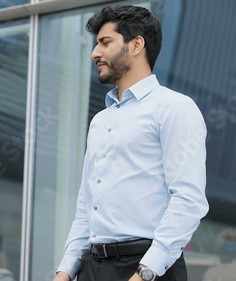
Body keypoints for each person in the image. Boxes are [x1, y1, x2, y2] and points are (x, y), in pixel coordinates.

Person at [54, 5, 209, 281]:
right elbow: (86, 204)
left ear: (136, 44)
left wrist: (145, 273)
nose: (95, 53)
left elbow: (188, 200)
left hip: (148, 267)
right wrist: (65, 270)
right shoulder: (100, 121)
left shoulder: (174, 108)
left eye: (105, 42)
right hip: (91, 267)